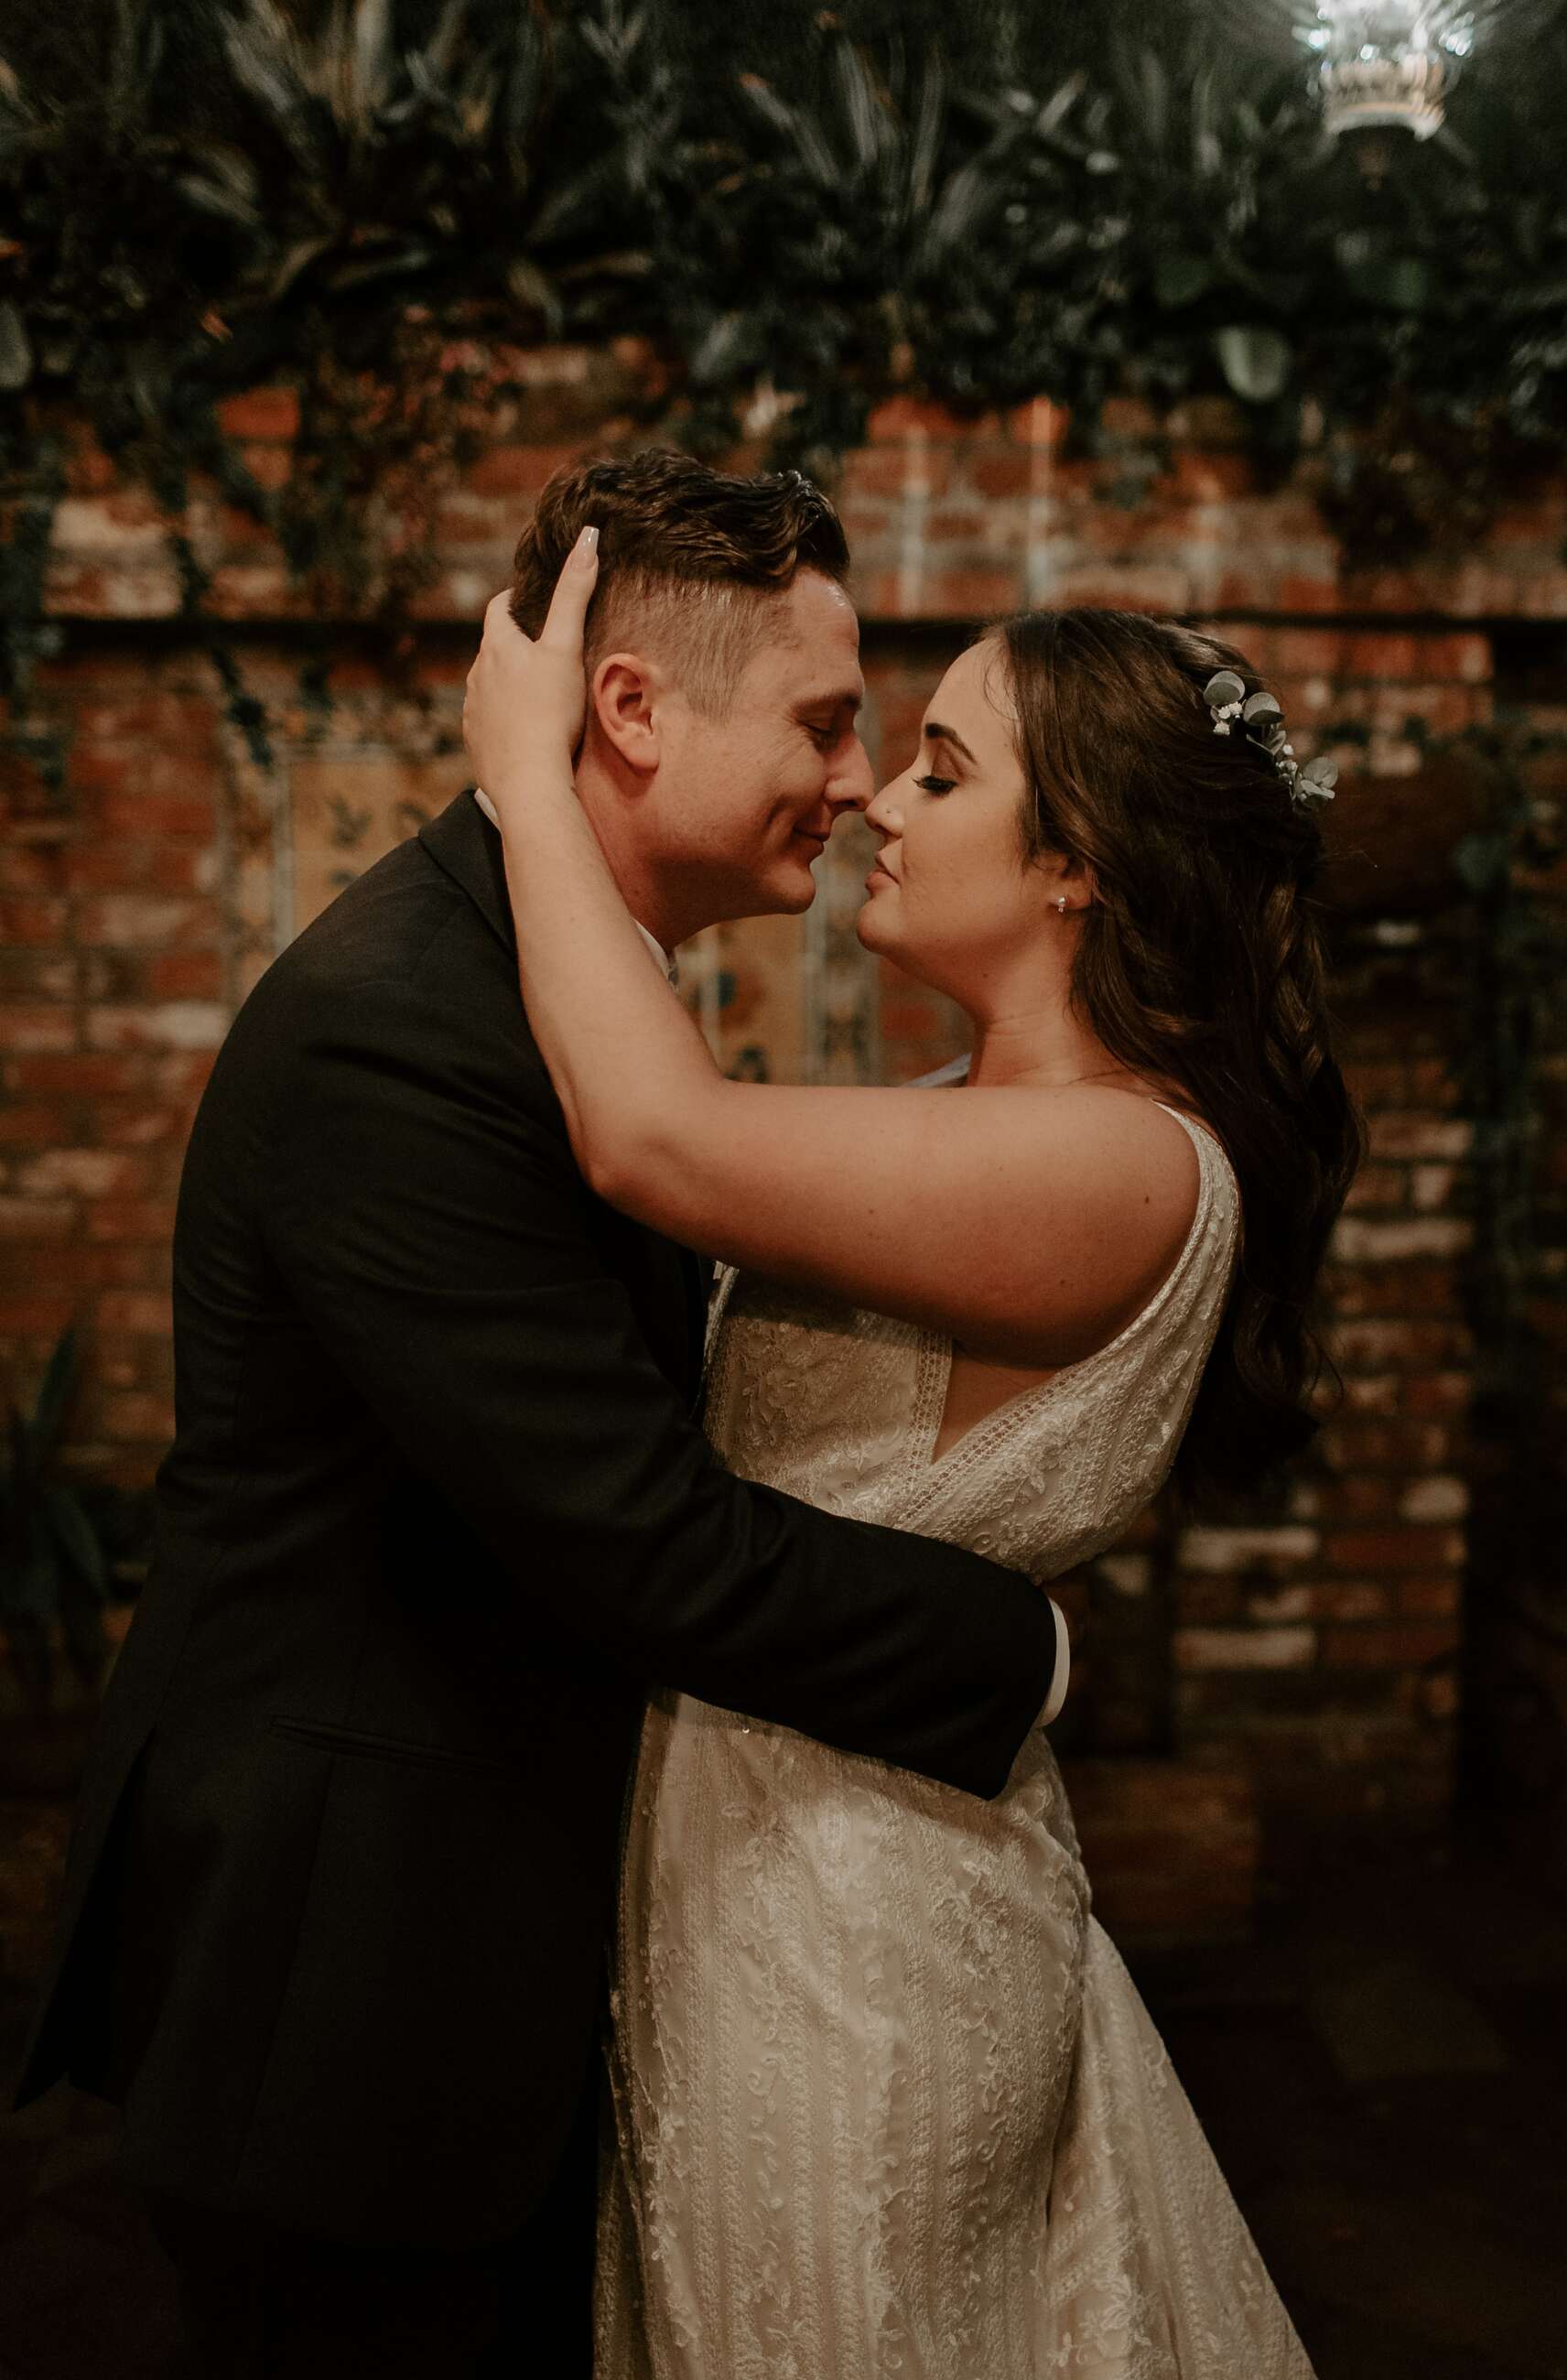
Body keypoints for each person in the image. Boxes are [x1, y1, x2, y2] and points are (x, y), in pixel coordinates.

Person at [11, 450, 1073, 2379]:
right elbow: (639, 1538)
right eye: (828, 725)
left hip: (468, 1951)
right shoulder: (401, 1027)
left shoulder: (554, 989)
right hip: (340, 1993)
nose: (849, 784)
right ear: (631, 708)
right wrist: (1024, 1648)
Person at [461, 518, 1364, 2377]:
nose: (879, 797)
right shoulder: (981, 1116)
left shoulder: (1113, 1159)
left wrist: (525, 782)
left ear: (1076, 871)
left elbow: (656, 1138)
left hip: (855, 1938)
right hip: (780, 1876)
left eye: (943, 770)